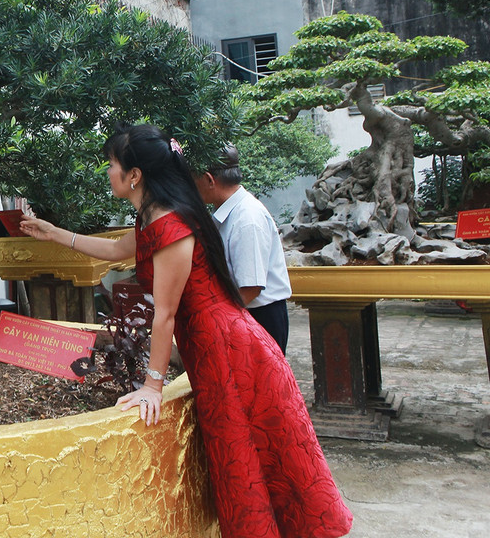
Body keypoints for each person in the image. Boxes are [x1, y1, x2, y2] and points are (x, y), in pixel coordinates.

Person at [20, 124, 351, 538]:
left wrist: (152, 386)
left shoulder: (169, 222)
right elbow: (113, 250)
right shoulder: (154, 215)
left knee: (252, 459)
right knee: (248, 460)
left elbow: (165, 314)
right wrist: (54, 234)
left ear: (134, 174)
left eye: (111, 164)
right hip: (215, 349)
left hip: (230, 351)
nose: (108, 172)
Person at [194, 145, 293, 352]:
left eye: (193, 179)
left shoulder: (247, 218)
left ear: (209, 179)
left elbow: (250, 288)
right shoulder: (226, 213)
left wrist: (214, 319)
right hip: (242, 312)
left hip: (259, 316)